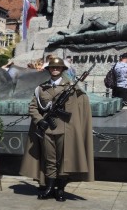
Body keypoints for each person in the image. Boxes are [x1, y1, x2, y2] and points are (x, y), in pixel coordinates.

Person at [20, 54, 94, 201]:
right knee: (50, 159)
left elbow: (81, 103)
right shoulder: (41, 88)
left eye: (58, 67)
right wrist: (40, 121)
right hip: (47, 129)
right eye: (52, 67)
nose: (55, 69)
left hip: (66, 129)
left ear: (62, 69)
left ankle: (60, 189)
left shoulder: (71, 87)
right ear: (48, 69)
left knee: (64, 160)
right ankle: (49, 188)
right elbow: (33, 107)